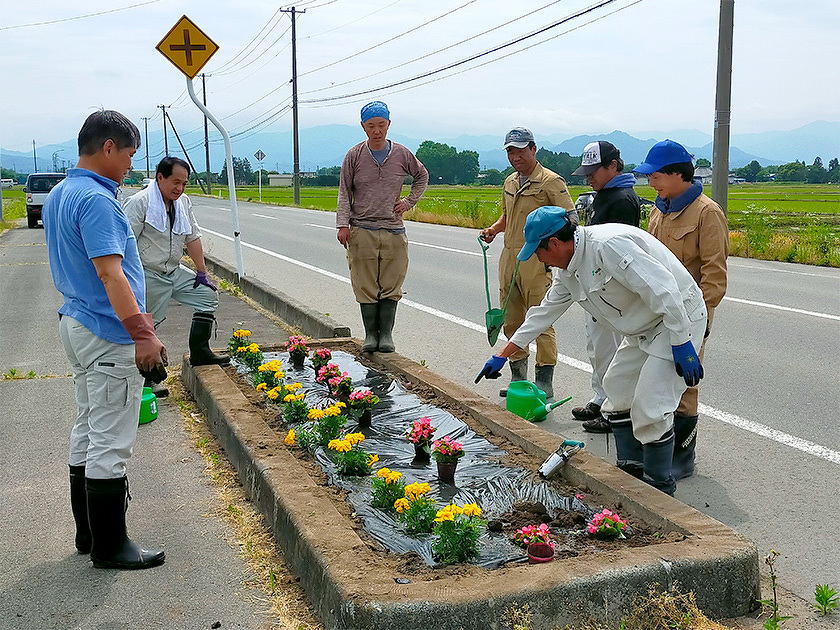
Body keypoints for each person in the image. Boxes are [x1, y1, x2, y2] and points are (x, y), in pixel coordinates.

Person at [476, 206, 707, 495]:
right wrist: (502, 354)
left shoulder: (608, 247)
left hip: (676, 319)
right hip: (644, 326)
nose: (539, 259)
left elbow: (664, 290)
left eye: (539, 251)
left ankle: (659, 488)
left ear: (555, 244)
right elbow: (543, 314)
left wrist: (682, 342)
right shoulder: (568, 272)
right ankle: (632, 469)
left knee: (652, 406)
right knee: (616, 387)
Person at [42, 110, 167, 569]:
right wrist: (143, 334)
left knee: (88, 425)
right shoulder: (97, 200)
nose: (131, 165)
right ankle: (111, 546)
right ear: (109, 147)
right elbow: (111, 274)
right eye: (129, 154)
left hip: (76, 323)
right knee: (111, 439)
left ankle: (89, 534)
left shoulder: (60, 194)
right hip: (106, 330)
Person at [635, 140, 729, 479]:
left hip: (691, 312)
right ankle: (657, 445)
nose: (651, 183)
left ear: (678, 174)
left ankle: (683, 454)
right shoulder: (658, 210)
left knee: (684, 379)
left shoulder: (707, 213)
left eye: (656, 176)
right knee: (652, 376)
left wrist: (699, 321)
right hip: (656, 310)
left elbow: (714, 274)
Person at [479, 128, 577, 399]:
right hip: (509, 256)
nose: (516, 157)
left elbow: (571, 220)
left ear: (533, 149)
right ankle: (518, 380)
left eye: (521, 150)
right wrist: (493, 230)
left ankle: (544, 380)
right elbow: (507, 216)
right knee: (511, 319)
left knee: (541, 318)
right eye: (511, 151)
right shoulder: (510, 182)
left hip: (538, 257)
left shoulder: (550, 181)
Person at [123, 156, 228, 398]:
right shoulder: (139, 203)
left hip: (173, 270)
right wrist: (130, 280)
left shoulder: (183, 203)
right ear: (160, 178)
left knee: (207, 296)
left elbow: (192, 236)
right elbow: (124, 243)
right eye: (175, 182)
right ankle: (146, 380)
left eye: (184, 183)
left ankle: (200, 352)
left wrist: (201, 272)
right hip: (148, 272)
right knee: (148, 327)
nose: (179, 188)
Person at [336, 101, 429, 353]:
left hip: (393, 228)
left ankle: (386, 334)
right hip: (362, 228)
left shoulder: (401, 154)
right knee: (365, 282)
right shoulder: (354, 155)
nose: (377, 131)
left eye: (381, 125)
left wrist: (409, 201)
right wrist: (343, 224)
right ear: (363, 127)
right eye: (371, 126)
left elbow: (422, 175)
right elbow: (344, 191)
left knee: (391, 281)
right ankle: (371, 334)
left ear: (388, 124)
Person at [569, 141, 642, 433]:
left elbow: (618, 253)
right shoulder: (604, 194)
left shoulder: (622, 199)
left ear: (613, 166)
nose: (589, 177)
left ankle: (615, 408)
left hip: (609, 288)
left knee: (611, 350)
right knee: (597, 346)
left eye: (594, 171)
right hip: (595, 283)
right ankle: (601, 397)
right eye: (586, 172)